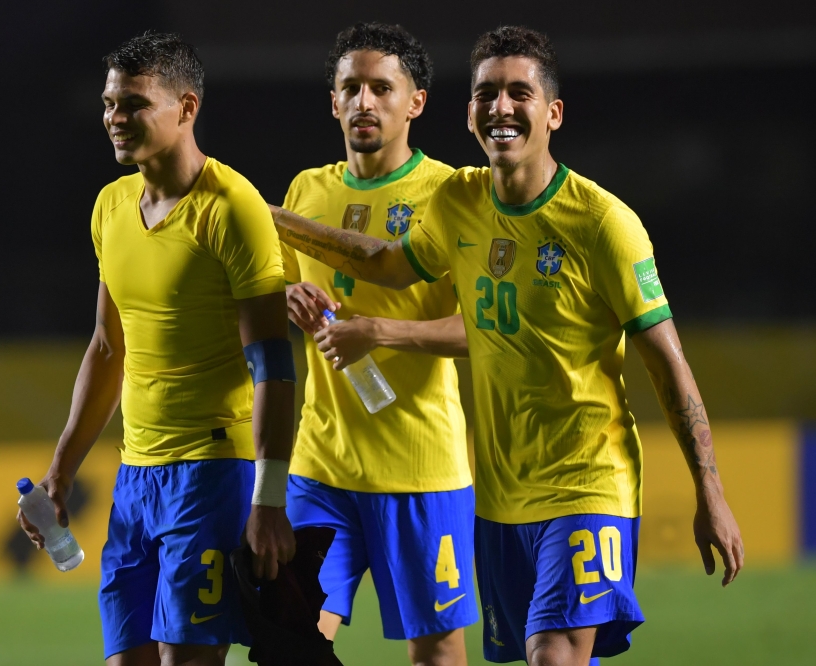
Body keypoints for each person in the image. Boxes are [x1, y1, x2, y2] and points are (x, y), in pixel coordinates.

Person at [269, 25, 745, 666]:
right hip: (496, 492)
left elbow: (669, 365)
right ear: (467, 112)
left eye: (518, 93)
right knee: (540, 654)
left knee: (549, 653)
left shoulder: (604, 224)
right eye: (486, 93)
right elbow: (386, 263)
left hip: (582, 481)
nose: (499, 107)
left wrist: (709, 492)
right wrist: (266, 217)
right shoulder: (460, 203)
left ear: (552, 114)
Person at [17, 31, 297, 666]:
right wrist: (61, 472)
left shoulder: (234, 210)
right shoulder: (111, 206)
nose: (116, 118)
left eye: (135, 104)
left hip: (211, 474)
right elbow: (106, 349)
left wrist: (270, 498)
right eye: (111, 103)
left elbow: (274, 366)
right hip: (135, 479)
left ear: (186, 107)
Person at [280, 23, 477, 666]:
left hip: (419, 467)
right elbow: (274, 297)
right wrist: (288, 303)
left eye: (382, 88)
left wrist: (379, 331)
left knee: (438, 651)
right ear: (333, 101)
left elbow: (485, 331)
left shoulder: (453, 195)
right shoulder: (307, 191)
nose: (365, 101)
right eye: (351, 88)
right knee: (288, 638)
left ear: (415, 102)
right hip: (320, 464)